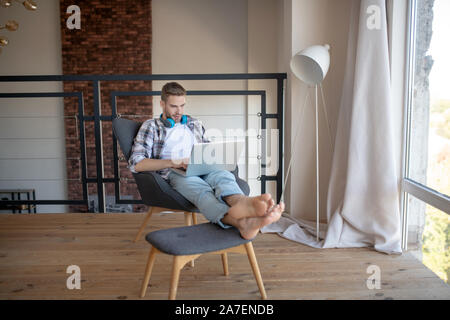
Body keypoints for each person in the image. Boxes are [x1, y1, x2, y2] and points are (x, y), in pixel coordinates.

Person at [128, 82, 284, 239]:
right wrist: (174, 162)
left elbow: (208, 150)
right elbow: (137, 163)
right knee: (202, 192)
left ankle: (241, 202)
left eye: (182, 106)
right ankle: (241, 223)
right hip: (174, 172)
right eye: (174, 106)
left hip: (202, 166)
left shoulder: (194, 123)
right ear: (162, 104)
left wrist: (216, 157)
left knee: (224, 176)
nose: (179, 111)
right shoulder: (151, 127)